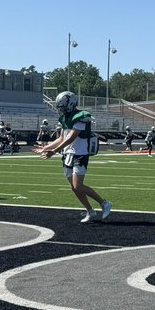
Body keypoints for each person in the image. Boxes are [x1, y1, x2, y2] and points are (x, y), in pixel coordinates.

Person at [36, 91, 113, 224]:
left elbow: (71, 137)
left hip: (79, 154)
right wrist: (45, 148)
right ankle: (90, 211)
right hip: (67, 155)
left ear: (70, 104)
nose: (61, 110)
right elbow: (61, 138)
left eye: (63, 107)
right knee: (74, 187)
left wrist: (53, 151)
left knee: (78, 186)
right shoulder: (64, 118)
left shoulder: (81, 116)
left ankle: (104, 203)